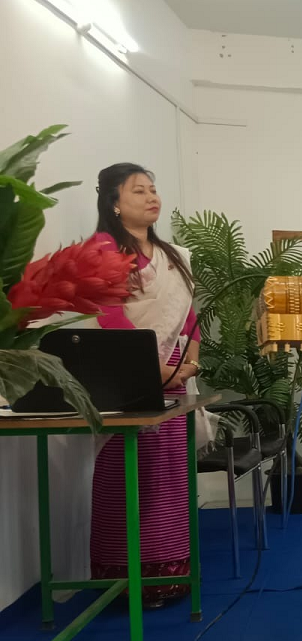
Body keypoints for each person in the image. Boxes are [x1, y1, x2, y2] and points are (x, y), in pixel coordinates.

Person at [90, 163, 201, 607]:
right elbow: (110, 315)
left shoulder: (173, 253)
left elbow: (189, 316)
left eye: (153, 189)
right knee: (128, 477)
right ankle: (123, 579)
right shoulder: (102, 249)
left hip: (174, 370)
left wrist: (189, 362)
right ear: (114, 202)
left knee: (169, 476)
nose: (152, 197)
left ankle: (170, 575)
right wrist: (150, 370)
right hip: (128, 373)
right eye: (139, 191)